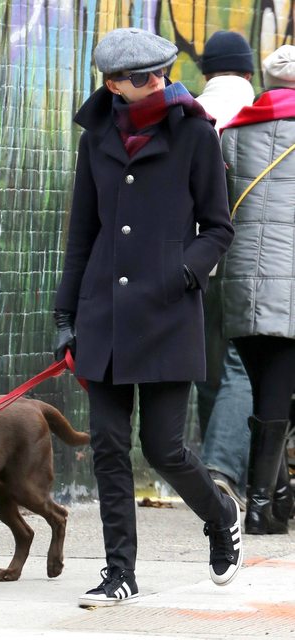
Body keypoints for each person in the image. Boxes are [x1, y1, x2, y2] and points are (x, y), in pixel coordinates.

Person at [53, 27, 242, 608]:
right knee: (108, 447)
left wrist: (182, 272)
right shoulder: (96, 139)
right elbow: (82, 234)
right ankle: (120, 573)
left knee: (163, 449)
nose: (157, 82)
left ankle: (221, 516)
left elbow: (218, 228)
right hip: (104, 317)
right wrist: (65, 316)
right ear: (115, 85)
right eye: (142, 76)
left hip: (167, 315)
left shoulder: (195, 133)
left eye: (161, 71)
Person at [218, 44, 295, 535]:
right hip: (290, 286)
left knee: (269, 389)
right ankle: (261, 507)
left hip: (239, 281)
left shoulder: (231, 134)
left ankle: (279, 497)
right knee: (276, 394)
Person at [193, 31, 256, 508]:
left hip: (194, 260)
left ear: (206, 71)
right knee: (246, 366)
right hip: (251, 260)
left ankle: (212, 473)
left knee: (209, 369)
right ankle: (224, 470)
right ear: (249, 72)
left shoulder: (188, 116)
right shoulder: (262, 119)